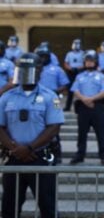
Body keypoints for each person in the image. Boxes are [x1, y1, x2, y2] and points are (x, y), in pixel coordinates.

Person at [0, 52, 64, 218]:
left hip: (41, 158)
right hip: (13, 159)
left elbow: (54, 128)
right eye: (23, 69)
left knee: (47, 206)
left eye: (31, 69)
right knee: (9, 208)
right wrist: (16, 149)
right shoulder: (6, 97)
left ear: (39, 71)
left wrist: (29, 148)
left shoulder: (50, 97)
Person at [69, 50, 104, 165]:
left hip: (97, 107)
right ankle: (80, 155)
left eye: (91, 61)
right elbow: (75, 90)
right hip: (82, 107)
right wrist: (84, 99)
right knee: (82, 133)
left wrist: (91, 99)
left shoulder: (101, 76)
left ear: (95, 62)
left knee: (100, 133)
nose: (89, 63)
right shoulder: (79, 76)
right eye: (87, 61)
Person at [35, 44, 69, 164]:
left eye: (45, 56)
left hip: (54, 100)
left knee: (54, 128)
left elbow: (65, 84)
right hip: (37, 101)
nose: (43, 58)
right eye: (41, 56)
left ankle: (57, 154)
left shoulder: (57, 69)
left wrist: (55, 91)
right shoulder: (34, 69)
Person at [63, 39, 84, 111]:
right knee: (71, 91)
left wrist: (78, 68)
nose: (76, 45)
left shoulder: (83, 53)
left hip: (80, 73)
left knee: (81, 90)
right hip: (71, 73)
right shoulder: (69, 54)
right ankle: (67, 107)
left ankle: (81, 107)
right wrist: (70, 68)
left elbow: (85, 63)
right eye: (75, 44)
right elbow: (66, 63)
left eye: (78, 44)